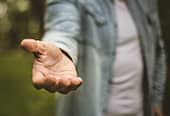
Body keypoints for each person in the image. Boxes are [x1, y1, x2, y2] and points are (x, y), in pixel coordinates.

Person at [20, 0, 166, 116]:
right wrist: (61, 49)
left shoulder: (147, 3)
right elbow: (62, 27)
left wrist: (156, 101)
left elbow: (158, 51)